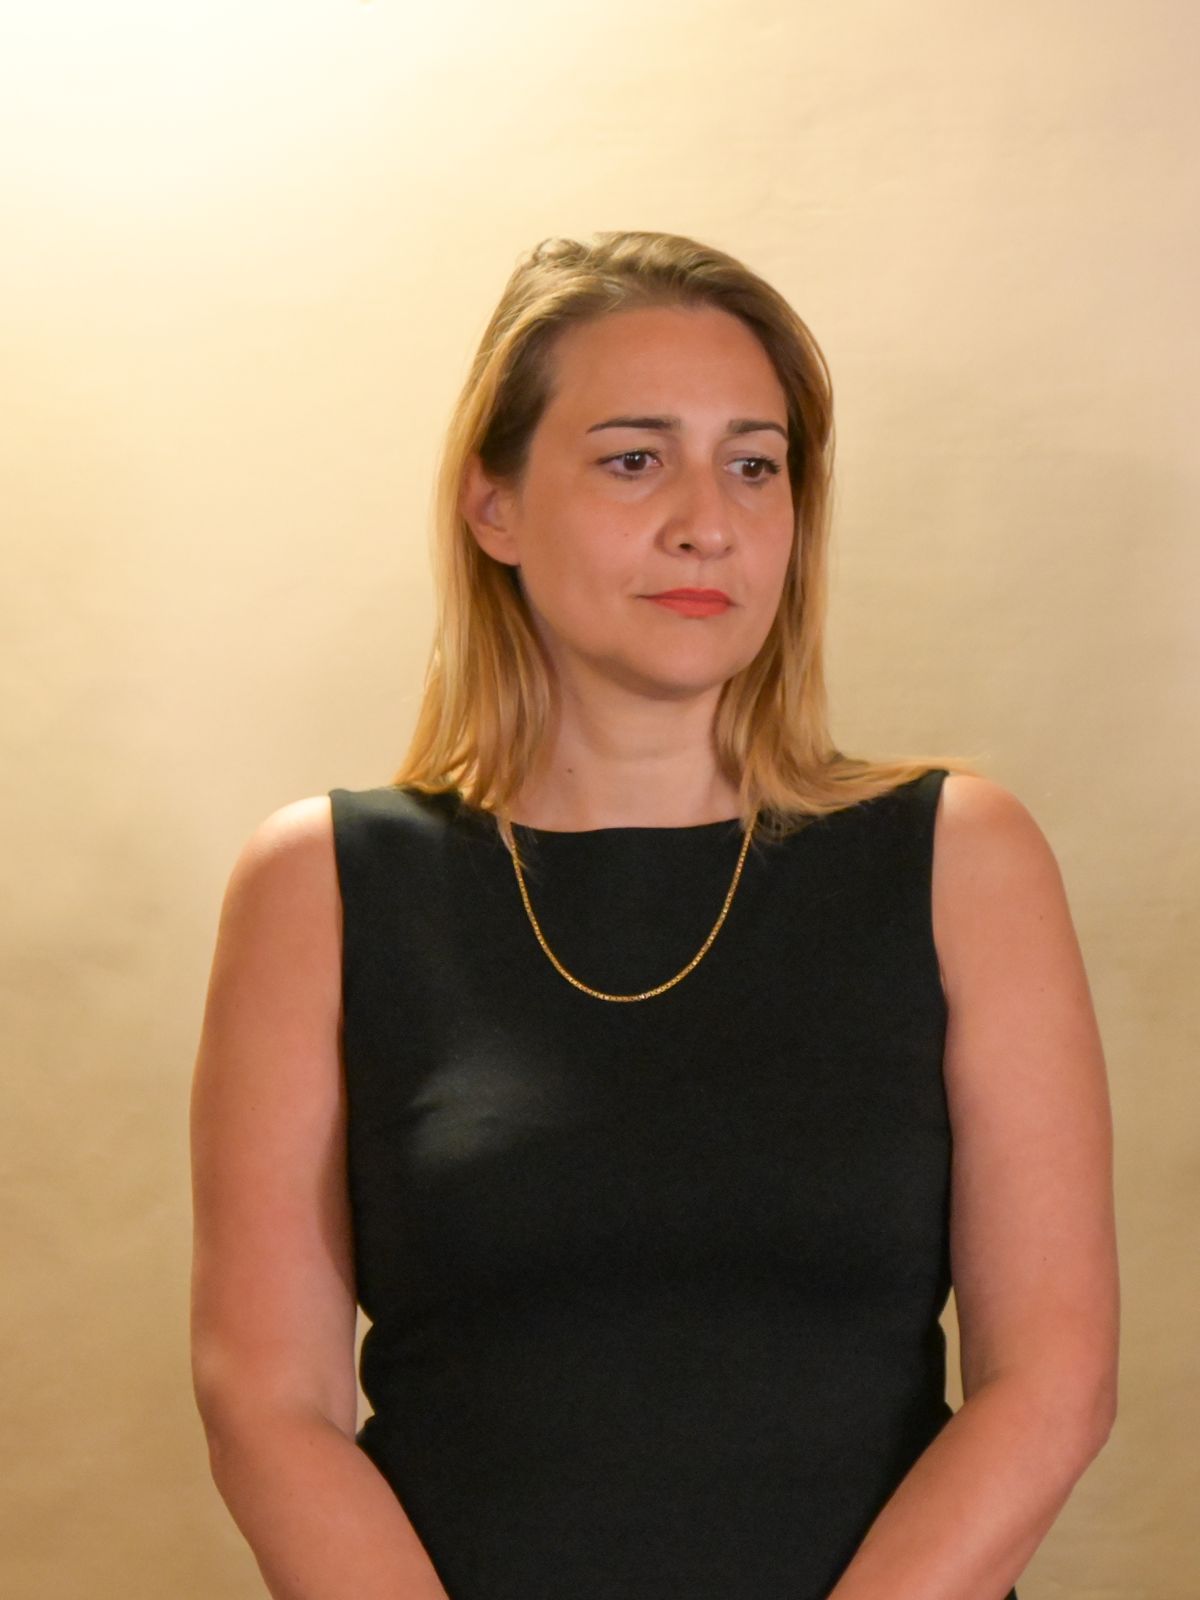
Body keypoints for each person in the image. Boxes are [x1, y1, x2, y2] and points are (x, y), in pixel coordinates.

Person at [189, 230, 1119, 1600]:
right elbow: (269, 1402)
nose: (708, 521)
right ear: (493, 506)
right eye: (635, 460)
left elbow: (1053, 1380)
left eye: (755, 465)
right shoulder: (320, 884)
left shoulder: (960, 860)